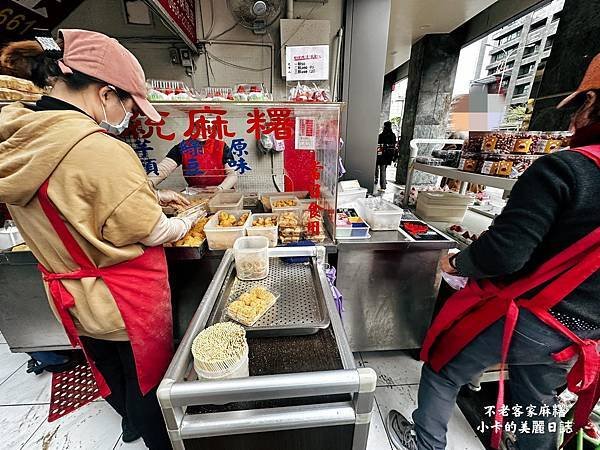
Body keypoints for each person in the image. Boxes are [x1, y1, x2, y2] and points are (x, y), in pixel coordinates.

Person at [0, 30, 204, 450]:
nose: (130, 113)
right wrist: (189, 219)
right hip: (124, 298)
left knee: (106, 369)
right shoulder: (99, 148)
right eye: (129, 103)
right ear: (106, 94)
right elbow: (151, 230)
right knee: (148, 384)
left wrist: (148, 193)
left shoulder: (21, 140)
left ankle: (129, 424)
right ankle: (156, 438)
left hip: (70, 293)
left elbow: (73, 203)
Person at [388, 54, 600, 450]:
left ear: (591, 104)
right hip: (582, 332)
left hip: (528, 317)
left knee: (441, 367)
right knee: (538, 404)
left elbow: (505, 253)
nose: (573, 122)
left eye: (579, 108)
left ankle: (427, 444)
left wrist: (456, 261)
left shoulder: (565, 170)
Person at [149, 137, 238, 191]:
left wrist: (220, 188)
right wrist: (147, 185)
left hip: (223, 193)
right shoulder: (182, 147)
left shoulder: (221, 146)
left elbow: (232, 174)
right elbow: (163, 169)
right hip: (196, 194)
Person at [376, 121, 397, 191]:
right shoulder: (393, 135)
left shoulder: (381, 135)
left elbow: (378, 144)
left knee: (382, 169)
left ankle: (383, 186)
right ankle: (384, 181)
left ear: (384, 126)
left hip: (382, 154)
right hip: (389, 155)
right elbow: (394, 144)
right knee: (384, 168)